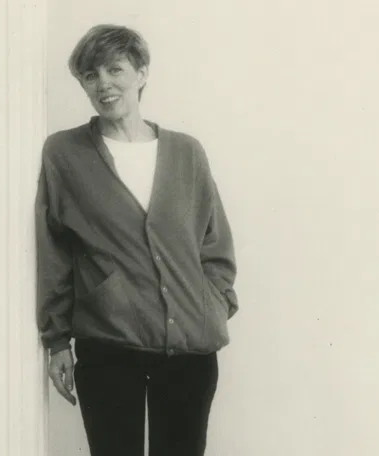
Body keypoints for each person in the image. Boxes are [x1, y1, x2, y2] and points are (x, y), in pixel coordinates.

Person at [35, 24, 239, 456]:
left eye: (115, 69)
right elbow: (54, 251)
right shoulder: (64, 154)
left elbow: (215, 244)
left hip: (188, 351)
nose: (104, 84)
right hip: (110, 348)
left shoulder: (187, 153)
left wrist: (213, 304)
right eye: (91, 75)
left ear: (142, 73)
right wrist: (56, 341)